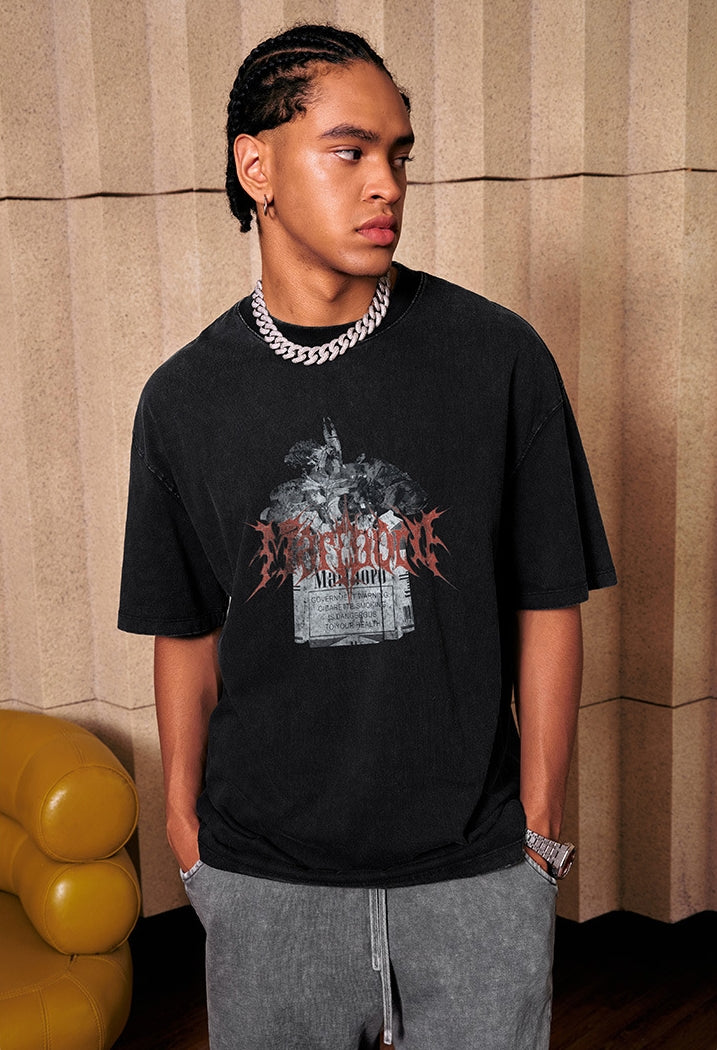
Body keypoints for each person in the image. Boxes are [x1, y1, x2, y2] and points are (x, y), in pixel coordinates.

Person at [118, 23, 616, 1050]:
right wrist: (183, 826)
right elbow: (184, 627)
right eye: (348, 151)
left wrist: (538, 829)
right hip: (263, 878)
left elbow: (548, 599)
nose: (385, 183)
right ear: (256, 168)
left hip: (477, 871)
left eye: (398, 154)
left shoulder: (498, 360)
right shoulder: (183, 401)